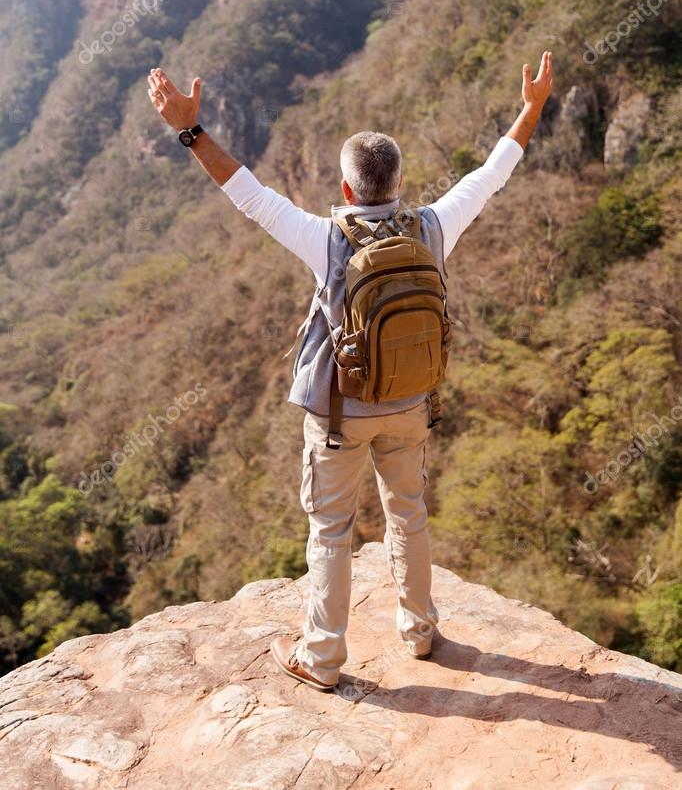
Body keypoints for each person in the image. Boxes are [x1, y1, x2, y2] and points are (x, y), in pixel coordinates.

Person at [148, 51, 553, 692]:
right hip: (412, 404)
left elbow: (249, 195)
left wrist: (190, 130)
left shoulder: (327, 239)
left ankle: (322, 658)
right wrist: (530, 108)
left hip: (339, 413)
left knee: (332, 530)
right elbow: (492, 172)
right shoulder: (434, 226)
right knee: (409, 513)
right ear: (398, 182)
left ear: (345, 190)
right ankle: (420, 632)